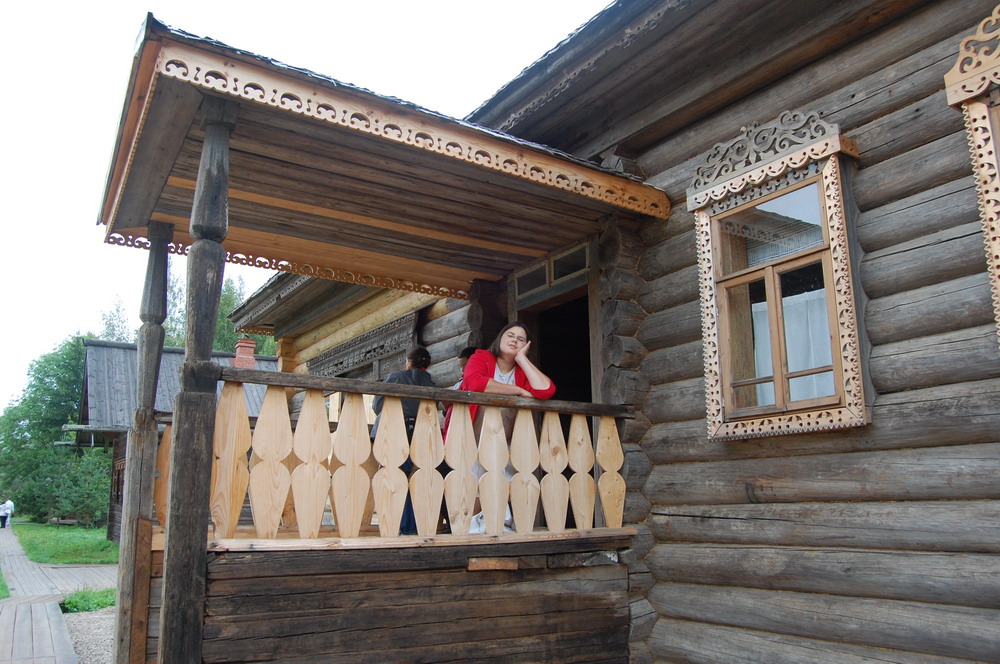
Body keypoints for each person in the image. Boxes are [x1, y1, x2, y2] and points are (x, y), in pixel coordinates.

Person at [371, 347, 437, 535]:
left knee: (395, 477)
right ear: (427, 365)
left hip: (394, 431)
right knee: (416, 478)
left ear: (408, 362)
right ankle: (414, 526)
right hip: (422, 433)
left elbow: (378, 405)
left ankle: (400, 525)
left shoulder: (396, 377)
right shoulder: (431, 383)